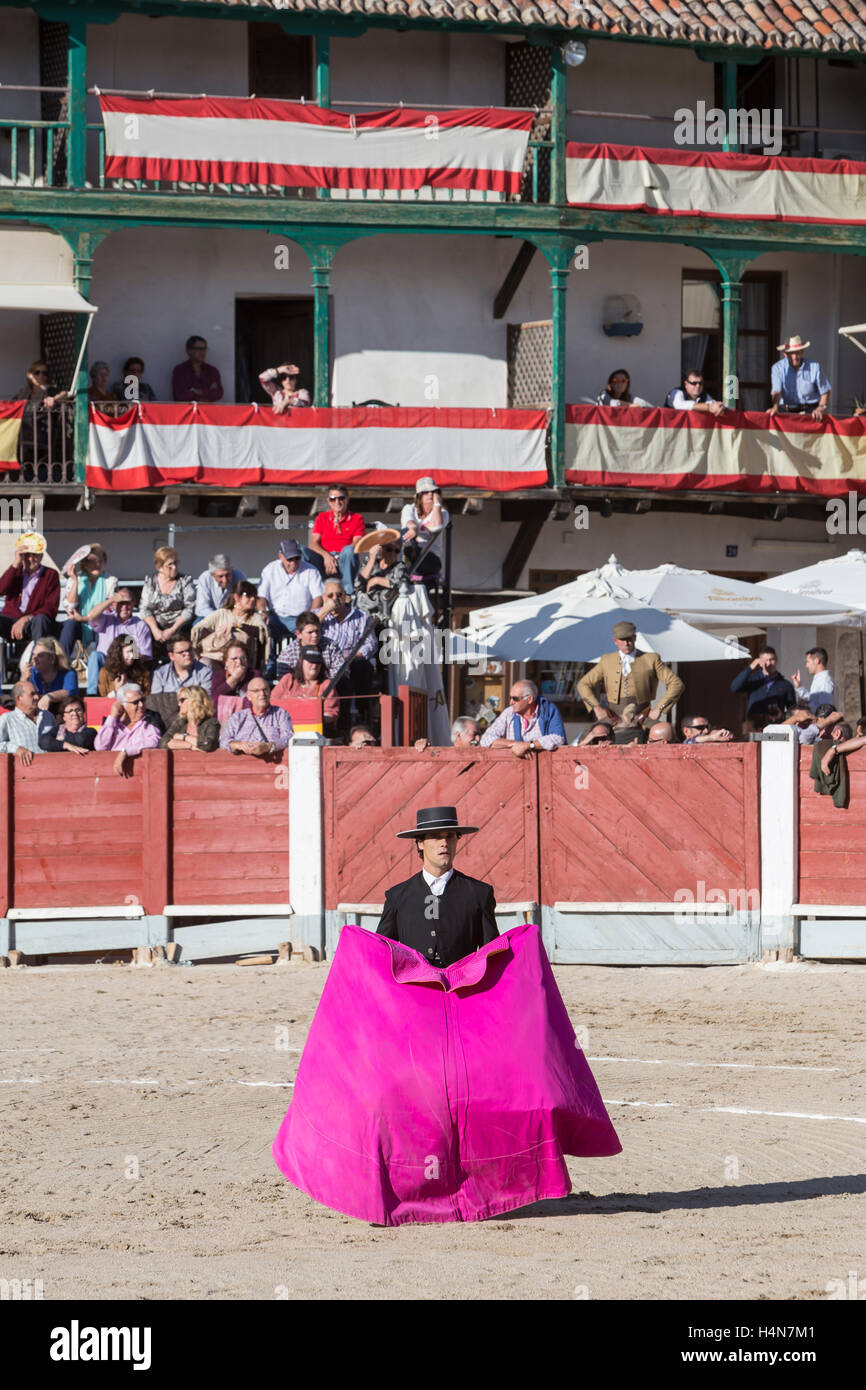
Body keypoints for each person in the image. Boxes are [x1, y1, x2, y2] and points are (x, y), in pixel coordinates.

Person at [272, 804, 623, 1226]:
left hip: (464, 1013)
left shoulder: (478, 894)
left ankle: (481, 1185)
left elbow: (494, 958)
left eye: (451, 836)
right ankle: (410, 1184)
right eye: (436, 837)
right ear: (419, 845)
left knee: (470, 1100)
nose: (444, 843)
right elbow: (381, 958)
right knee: (405, 1101)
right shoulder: (398, 898)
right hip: (412, 1016)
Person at [577, 621, 684, 726]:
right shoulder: (606, 660)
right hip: (614, 718)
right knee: (587, 737)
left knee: (664, 733)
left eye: (629, 639)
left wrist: (660, 708)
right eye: (622, 640)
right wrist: (596, 707)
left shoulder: (651, 659)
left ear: (635, 638)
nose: (626, 643)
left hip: (642, 717)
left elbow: (677, 684)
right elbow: (583, 684)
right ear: (615, 641)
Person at [258, 540, 324, 675]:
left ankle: (302, 667)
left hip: (300, 618)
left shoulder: (311, 570)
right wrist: (262, 612)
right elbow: (261, 597)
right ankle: (269, 668)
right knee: (262, 627)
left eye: (297, 558)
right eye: (289, 559)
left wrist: (309, 618)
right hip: (275, 617)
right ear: (280, 556)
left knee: (311, 631)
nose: (293, 562)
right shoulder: (270, 569)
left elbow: (318, 597)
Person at [318, 578, 377, 715]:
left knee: (362, 666)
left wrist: (351, 657)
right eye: (330, 595)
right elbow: (306, 633)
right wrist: (324, 611)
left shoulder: (360, 616)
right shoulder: (317, 615)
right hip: (325, 662)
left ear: (345, 596)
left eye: (339, 595)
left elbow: (371, 643)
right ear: (323, 597)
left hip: (352, 660)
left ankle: (363, 714)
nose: (335, 599)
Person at [85, 589, 152, 695]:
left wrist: (126, 659)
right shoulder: (107, 619)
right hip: (107, 664)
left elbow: (144, 655)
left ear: (133, 603)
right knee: (95, 656)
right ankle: (91, 694)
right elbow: (91, 616)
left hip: (129, 665)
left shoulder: (141, 626)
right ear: (114, 604)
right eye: (121, 603)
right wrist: (111, 600)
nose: (124, 607)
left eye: (127, 603)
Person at [192, 580, 269, 673]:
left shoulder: (254, 617)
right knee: (204, 663)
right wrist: (218, 634)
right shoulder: (221, 613)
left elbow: (261, 632)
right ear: (236, 597)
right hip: (217, 659)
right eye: (248, 595)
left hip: (242, 663)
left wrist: (238, 626)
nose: (252, 599)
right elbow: (198, 629)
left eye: (254, 596)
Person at [58, 542, 117, 662]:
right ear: (84, 563)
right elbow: (70, 608)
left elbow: (108, 611)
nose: (98, 564)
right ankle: (60, 663)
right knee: (70, 624)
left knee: (100, 624)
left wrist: (84, 618)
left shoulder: (110, 581)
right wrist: (75, 582)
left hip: (101, 623)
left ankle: (105, 664)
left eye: (101, 560)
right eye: (93, 560)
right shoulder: (75, 579)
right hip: (80, 625)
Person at [0, 532, 60, 647]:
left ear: (41, 556)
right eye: (27, 555)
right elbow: (1, 589)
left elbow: (51, 607)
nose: (30, 559)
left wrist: (26, 618)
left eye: (35, 555)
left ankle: (37, 662)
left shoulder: (50, 575)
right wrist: (16, 563)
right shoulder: (16, 571)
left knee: (41, 619)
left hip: (33, 621)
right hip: (10, 620)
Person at [479, 679, 566, 757]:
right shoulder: (509, 713)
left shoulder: (548, 710)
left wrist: (528, 745)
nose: (511, 702)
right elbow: (486, 739)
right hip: (514, 770)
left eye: (515, 698)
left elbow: (559, 738)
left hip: (546, 769)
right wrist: (515, 744)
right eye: (510, 698)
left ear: (529, 699)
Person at [138, 546, 196, 661]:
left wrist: (172, 630)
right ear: (160, 567)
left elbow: (190, 608)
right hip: (157, 628)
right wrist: (155, 630)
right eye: (169, 565)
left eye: (176, 563)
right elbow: (144, 609)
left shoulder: (185, 580)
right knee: (141, 630)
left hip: (180, 626)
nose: (174, 567)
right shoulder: (150, 582)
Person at [305, 485, 366, 594]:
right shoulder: (322, 517)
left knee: (349, 550)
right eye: (333, 499)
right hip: (324, 560)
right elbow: (313, 544)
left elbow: (357, 542)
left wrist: (337, 558)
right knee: (302, 551)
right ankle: (310, 592)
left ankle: (348, 594)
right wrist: (327, 557)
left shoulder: (357, 518)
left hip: (343, 559)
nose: (337, 502)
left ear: (347, 499)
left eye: (341, 498)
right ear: (329, 501)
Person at [94, 682, 161, 776]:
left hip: (140, 773)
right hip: (111, 775)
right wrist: (112, 716)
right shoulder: (113, 722)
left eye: (142, 700)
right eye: (135, 702)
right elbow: (100, 747)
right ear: (122, 705)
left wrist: (125, 752)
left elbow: (153, 741)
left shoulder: (151, 718)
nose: (141, 705)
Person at [220, 677, 294, 756]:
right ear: (248, 696)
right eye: (256, 691)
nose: (262, 694)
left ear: (269, 692)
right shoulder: (238, 717)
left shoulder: (280, 714)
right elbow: (223, 742)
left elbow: (289, 738)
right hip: (240, 765)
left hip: (271, 765)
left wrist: (268, 746)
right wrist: (237, 745)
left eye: (265, 690)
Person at [273, 647, 340, 732]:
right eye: (311, 662)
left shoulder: (326, 685)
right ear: (301, 662)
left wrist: (311, 716)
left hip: (315, 733)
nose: (315, 666)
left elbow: (331, 714)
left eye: (318, 663)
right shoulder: (288, 680)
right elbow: (272, 703)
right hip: (285, 729)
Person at [730, 647, 796, 729]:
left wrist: (782, 715)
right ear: (760, 662)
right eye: (765, 660)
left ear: (776, 660)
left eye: (771, 660)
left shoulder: (785, 685)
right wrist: (750, 667)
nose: (768, 663)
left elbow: (793, 711)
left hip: (776, 728)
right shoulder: (753, 679)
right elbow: (734, 687)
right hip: (753, 727)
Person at [400, 477, 450, 582]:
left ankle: (409, 571)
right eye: (426, 492)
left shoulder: (443, 513)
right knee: (405, 532)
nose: (430, 494)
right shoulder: (409, 508)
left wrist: (437, 504)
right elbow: (408, 522)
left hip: (431, 559)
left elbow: (436, 527)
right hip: (413, 554)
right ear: (419, 496)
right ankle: (409, 568)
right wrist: (414, 528)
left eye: (434, 491)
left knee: (411, 550)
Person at [769, 334, 830, 420]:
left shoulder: (814, 366)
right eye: (791, 353)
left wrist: (820, 408)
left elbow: (825, 391)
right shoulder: (777, 368)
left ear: (802, 351)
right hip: (785, 413)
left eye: (797, 352)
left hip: (810, 413)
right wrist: (775, 407)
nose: (795, 357)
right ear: (785, 354)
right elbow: (776, 391)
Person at [275, 611, 339, 680]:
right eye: (310, 632)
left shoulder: (331, 646)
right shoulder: (288, 653)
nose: (315, 635)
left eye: (317, 631)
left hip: (328, 686)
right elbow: (283, 682)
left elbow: (341, 671)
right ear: (298, 634)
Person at [0, 681, 52, 763]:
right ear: (18, 698)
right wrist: (15, 749)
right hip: (24, 773)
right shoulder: (7, 719)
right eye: (32, 694)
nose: (37, 697)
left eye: (37, 693)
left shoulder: (47, 716)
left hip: (53, 770)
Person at [22, 637, 78, 710]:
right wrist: (24, 679)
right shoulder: (32, 673)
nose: (34, 658)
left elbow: (70, 692)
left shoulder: (68, 672)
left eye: (40, 655)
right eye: (33, 654)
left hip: (62, 714)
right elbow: (21, 697)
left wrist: (49, 696)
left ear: (52, 658)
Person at [159, 687, 220, 753]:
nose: (179, 704)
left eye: (182, 700)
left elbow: (207, 744)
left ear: (194, 701)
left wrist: (183, 737)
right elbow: (163, 742)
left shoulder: (211, 722)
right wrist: (189, 746)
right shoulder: (181, 722)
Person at [193, 554, 247, 622]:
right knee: (197, 625)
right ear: (212, 575)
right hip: (209, 616)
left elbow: (244, 603)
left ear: (231, 571)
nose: (225, 580)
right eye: (220, 576)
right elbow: (201, 608)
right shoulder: (205, 578)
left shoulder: (240, 576)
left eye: (228, 575)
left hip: (234, 616)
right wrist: (221, 618)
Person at [171, 335, 224, 403]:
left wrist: (196, 391)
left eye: (204, 349)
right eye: (199, 349)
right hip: (187, 411)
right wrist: (206, 394)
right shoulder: (180, 370)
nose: (202, 352)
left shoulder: (212, 371)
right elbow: (181, 395)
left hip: (207, 412)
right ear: (189, 351)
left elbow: (218, 393)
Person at [792, 647, 839, 714]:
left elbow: (824, 710)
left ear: (816, 661)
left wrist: (805, 706)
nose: (806, 666)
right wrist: (799, 687)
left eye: (808, 662)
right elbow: (814, 699)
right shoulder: (820, 679)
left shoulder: (825, 681)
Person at [415, 716, 481, 753]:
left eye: (478, 735)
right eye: (474, 734)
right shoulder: (441, 755)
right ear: (458, 735)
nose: (478, 738)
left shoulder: (481, 755)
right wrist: (422, 747)